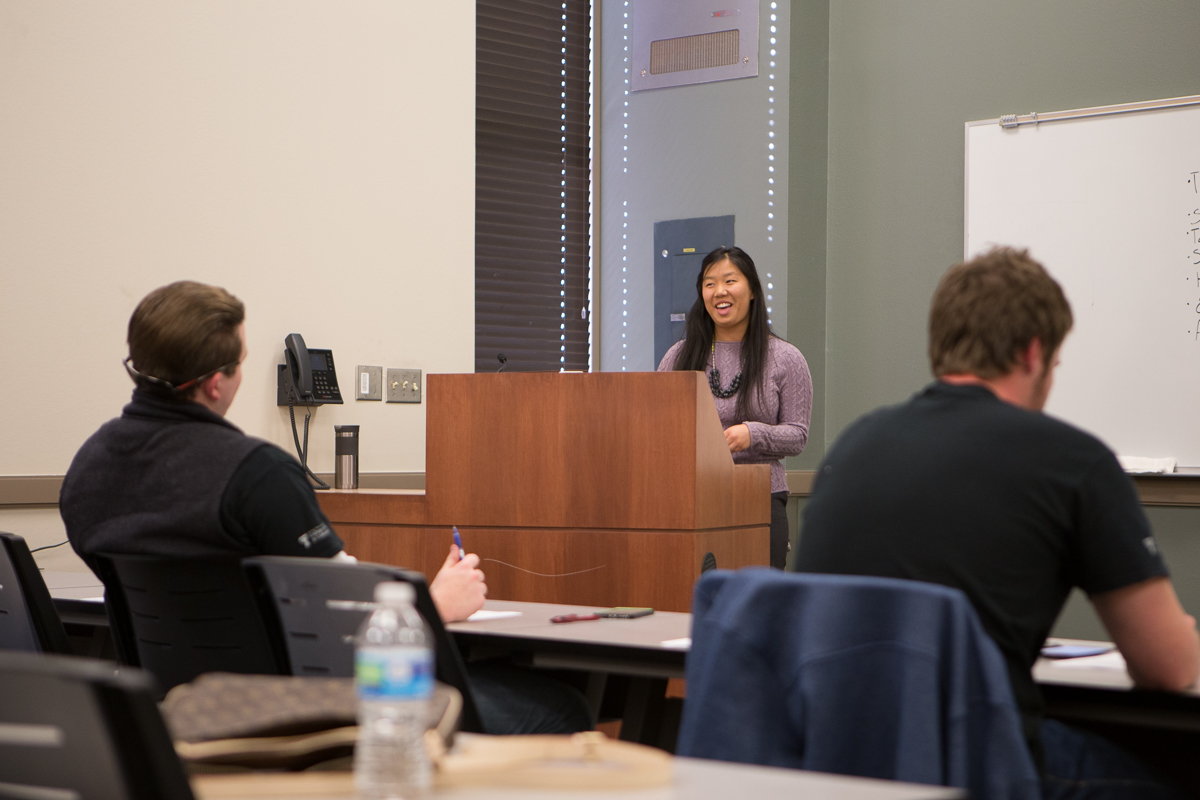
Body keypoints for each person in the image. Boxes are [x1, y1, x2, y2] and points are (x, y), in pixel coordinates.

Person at [59, 280, 591, 734]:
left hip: (175, 716)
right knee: (559, 703)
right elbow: (338, 620)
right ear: (217, 382)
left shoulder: (89, 468)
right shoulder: (255, 473)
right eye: (242, 364)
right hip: (299, 720)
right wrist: (434, 604)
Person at [796, 246, 1199, 799]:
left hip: (832, 766)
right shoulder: (1072, 462)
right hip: (978, 768)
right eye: (1056, 366)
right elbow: (1169, 667)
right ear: (1034, 352)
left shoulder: (854, 446)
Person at [657, 246, 812, 569]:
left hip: (760, 498)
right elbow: (657, 426)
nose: (720, 292)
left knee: (757, 607)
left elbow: (797, 435)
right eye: (709, 283)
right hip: (691, 497)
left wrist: (752, 434)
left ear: (752, 289)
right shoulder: (679, 355)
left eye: (730, 281)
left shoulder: (785, 357)